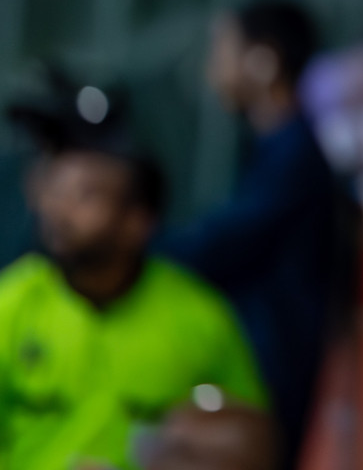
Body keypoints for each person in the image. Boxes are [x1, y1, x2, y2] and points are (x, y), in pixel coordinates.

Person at [0, 94, 272, 470]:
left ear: (136, 222)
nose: (60, 210)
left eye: (86, 195)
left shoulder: (200, 319)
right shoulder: (10, 306)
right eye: (56, 191)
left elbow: (252, 443)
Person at [160, 0, 337, 467]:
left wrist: (140, 247)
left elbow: (224, 243)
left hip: (277, 369)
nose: (212, 70)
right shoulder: (273, 149)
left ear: (263, 61)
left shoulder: (292, 155)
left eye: (222, 51)